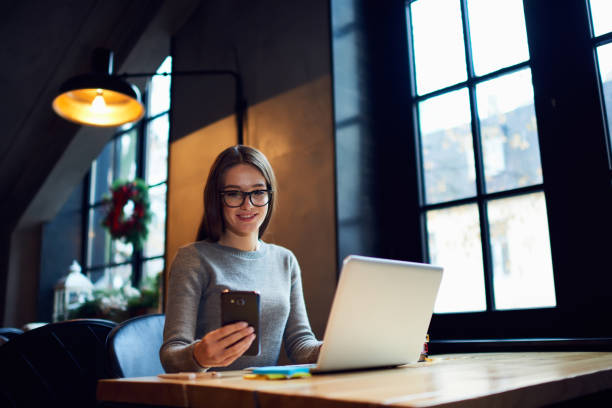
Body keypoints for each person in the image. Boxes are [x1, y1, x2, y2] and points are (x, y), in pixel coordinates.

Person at [160, 145, 322, 373]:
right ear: (217, 199)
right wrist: (200, 356)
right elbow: (171, 356)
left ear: (269, 194)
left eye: (258, 192)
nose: (248, 205)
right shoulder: (193, 259)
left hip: (262, 394)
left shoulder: (285, 260)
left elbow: (300, 344)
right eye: (234, 193)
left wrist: (338, 349)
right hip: (212, 396)